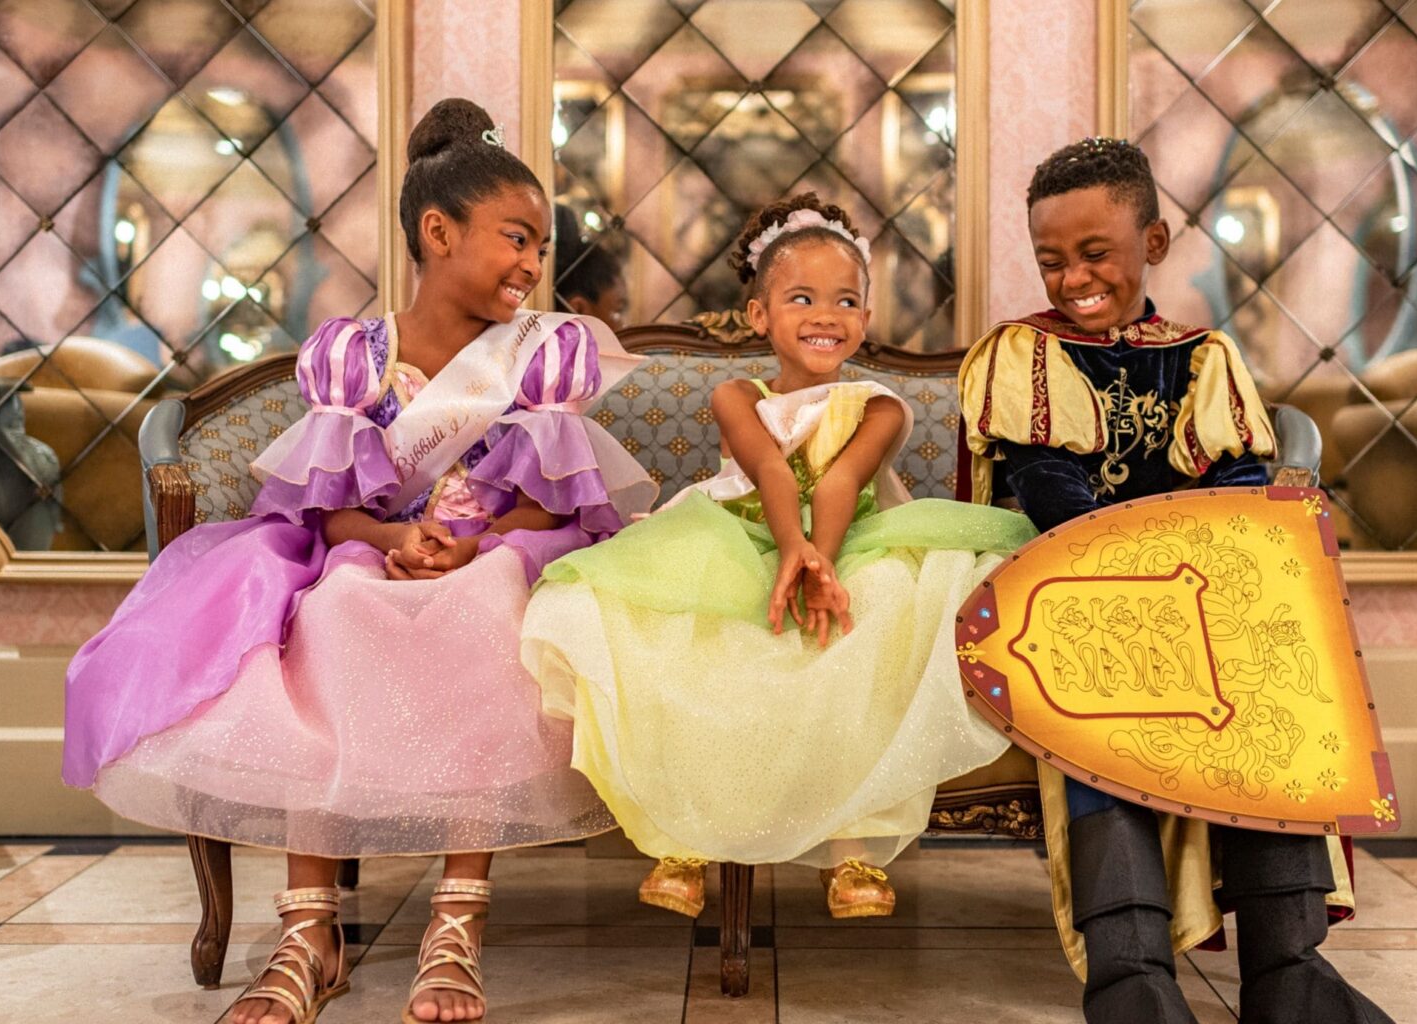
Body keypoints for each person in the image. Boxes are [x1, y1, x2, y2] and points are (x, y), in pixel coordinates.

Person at [62, 98, 655, 1024]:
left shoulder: (542, 359)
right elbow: (329, 511)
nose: (535, 264)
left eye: (541, 244)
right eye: (514, 237)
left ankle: (455, 923)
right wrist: (391, 541)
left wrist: (475, 544)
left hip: (498, 555)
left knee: (492, 604)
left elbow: (554, 499)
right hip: (374, 556)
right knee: (332, 608)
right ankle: (312, 932)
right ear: (437, 231)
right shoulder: (353, 359)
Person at [958, 136, 1391, 1024]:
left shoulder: (1202, 357)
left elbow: (1234, 489)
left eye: (1095, 253)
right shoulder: (1024, 357)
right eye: (1051, 261)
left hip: (1192, 593)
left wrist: (1216, 565)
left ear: (1152, 245)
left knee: (1271, 677)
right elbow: (1048, 485)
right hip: (1076, 593)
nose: (1073, 277)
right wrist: (1139, 568)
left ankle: (1290, 968)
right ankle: (1131, 973)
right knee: (1100, 696)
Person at [522, 192, 1034, 921]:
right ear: (760, 315)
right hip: (742, 530)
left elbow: (842, 482)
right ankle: (686, 834)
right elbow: (768, 472)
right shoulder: (738, 394)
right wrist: (790, 551)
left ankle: (853, 844)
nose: (826, 315)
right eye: (801, 297)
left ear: (865, 317)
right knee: (687, 624)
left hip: (851, 536)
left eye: (846, 300)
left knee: (881, 603)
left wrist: (819, 563)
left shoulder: (879, 405)